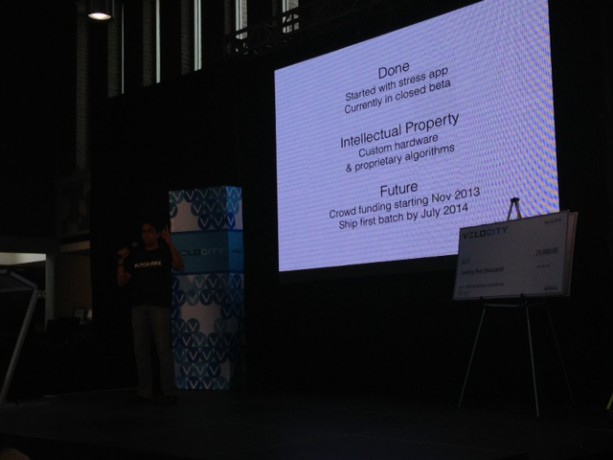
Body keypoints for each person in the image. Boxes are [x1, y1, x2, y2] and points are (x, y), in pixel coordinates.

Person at [117, 219, 185, 404]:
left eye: (149, 231)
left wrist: (169, 243)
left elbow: (179, 265)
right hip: (139, 307)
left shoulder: (163, 252)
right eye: (143, 231)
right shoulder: (137, 255)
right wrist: (121, 262)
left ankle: (169, 391)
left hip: (159, 306)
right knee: (141, 351)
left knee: (163, 350)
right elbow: (122, 282)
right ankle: (144, 391)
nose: (146, 234)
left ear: (156, 234)